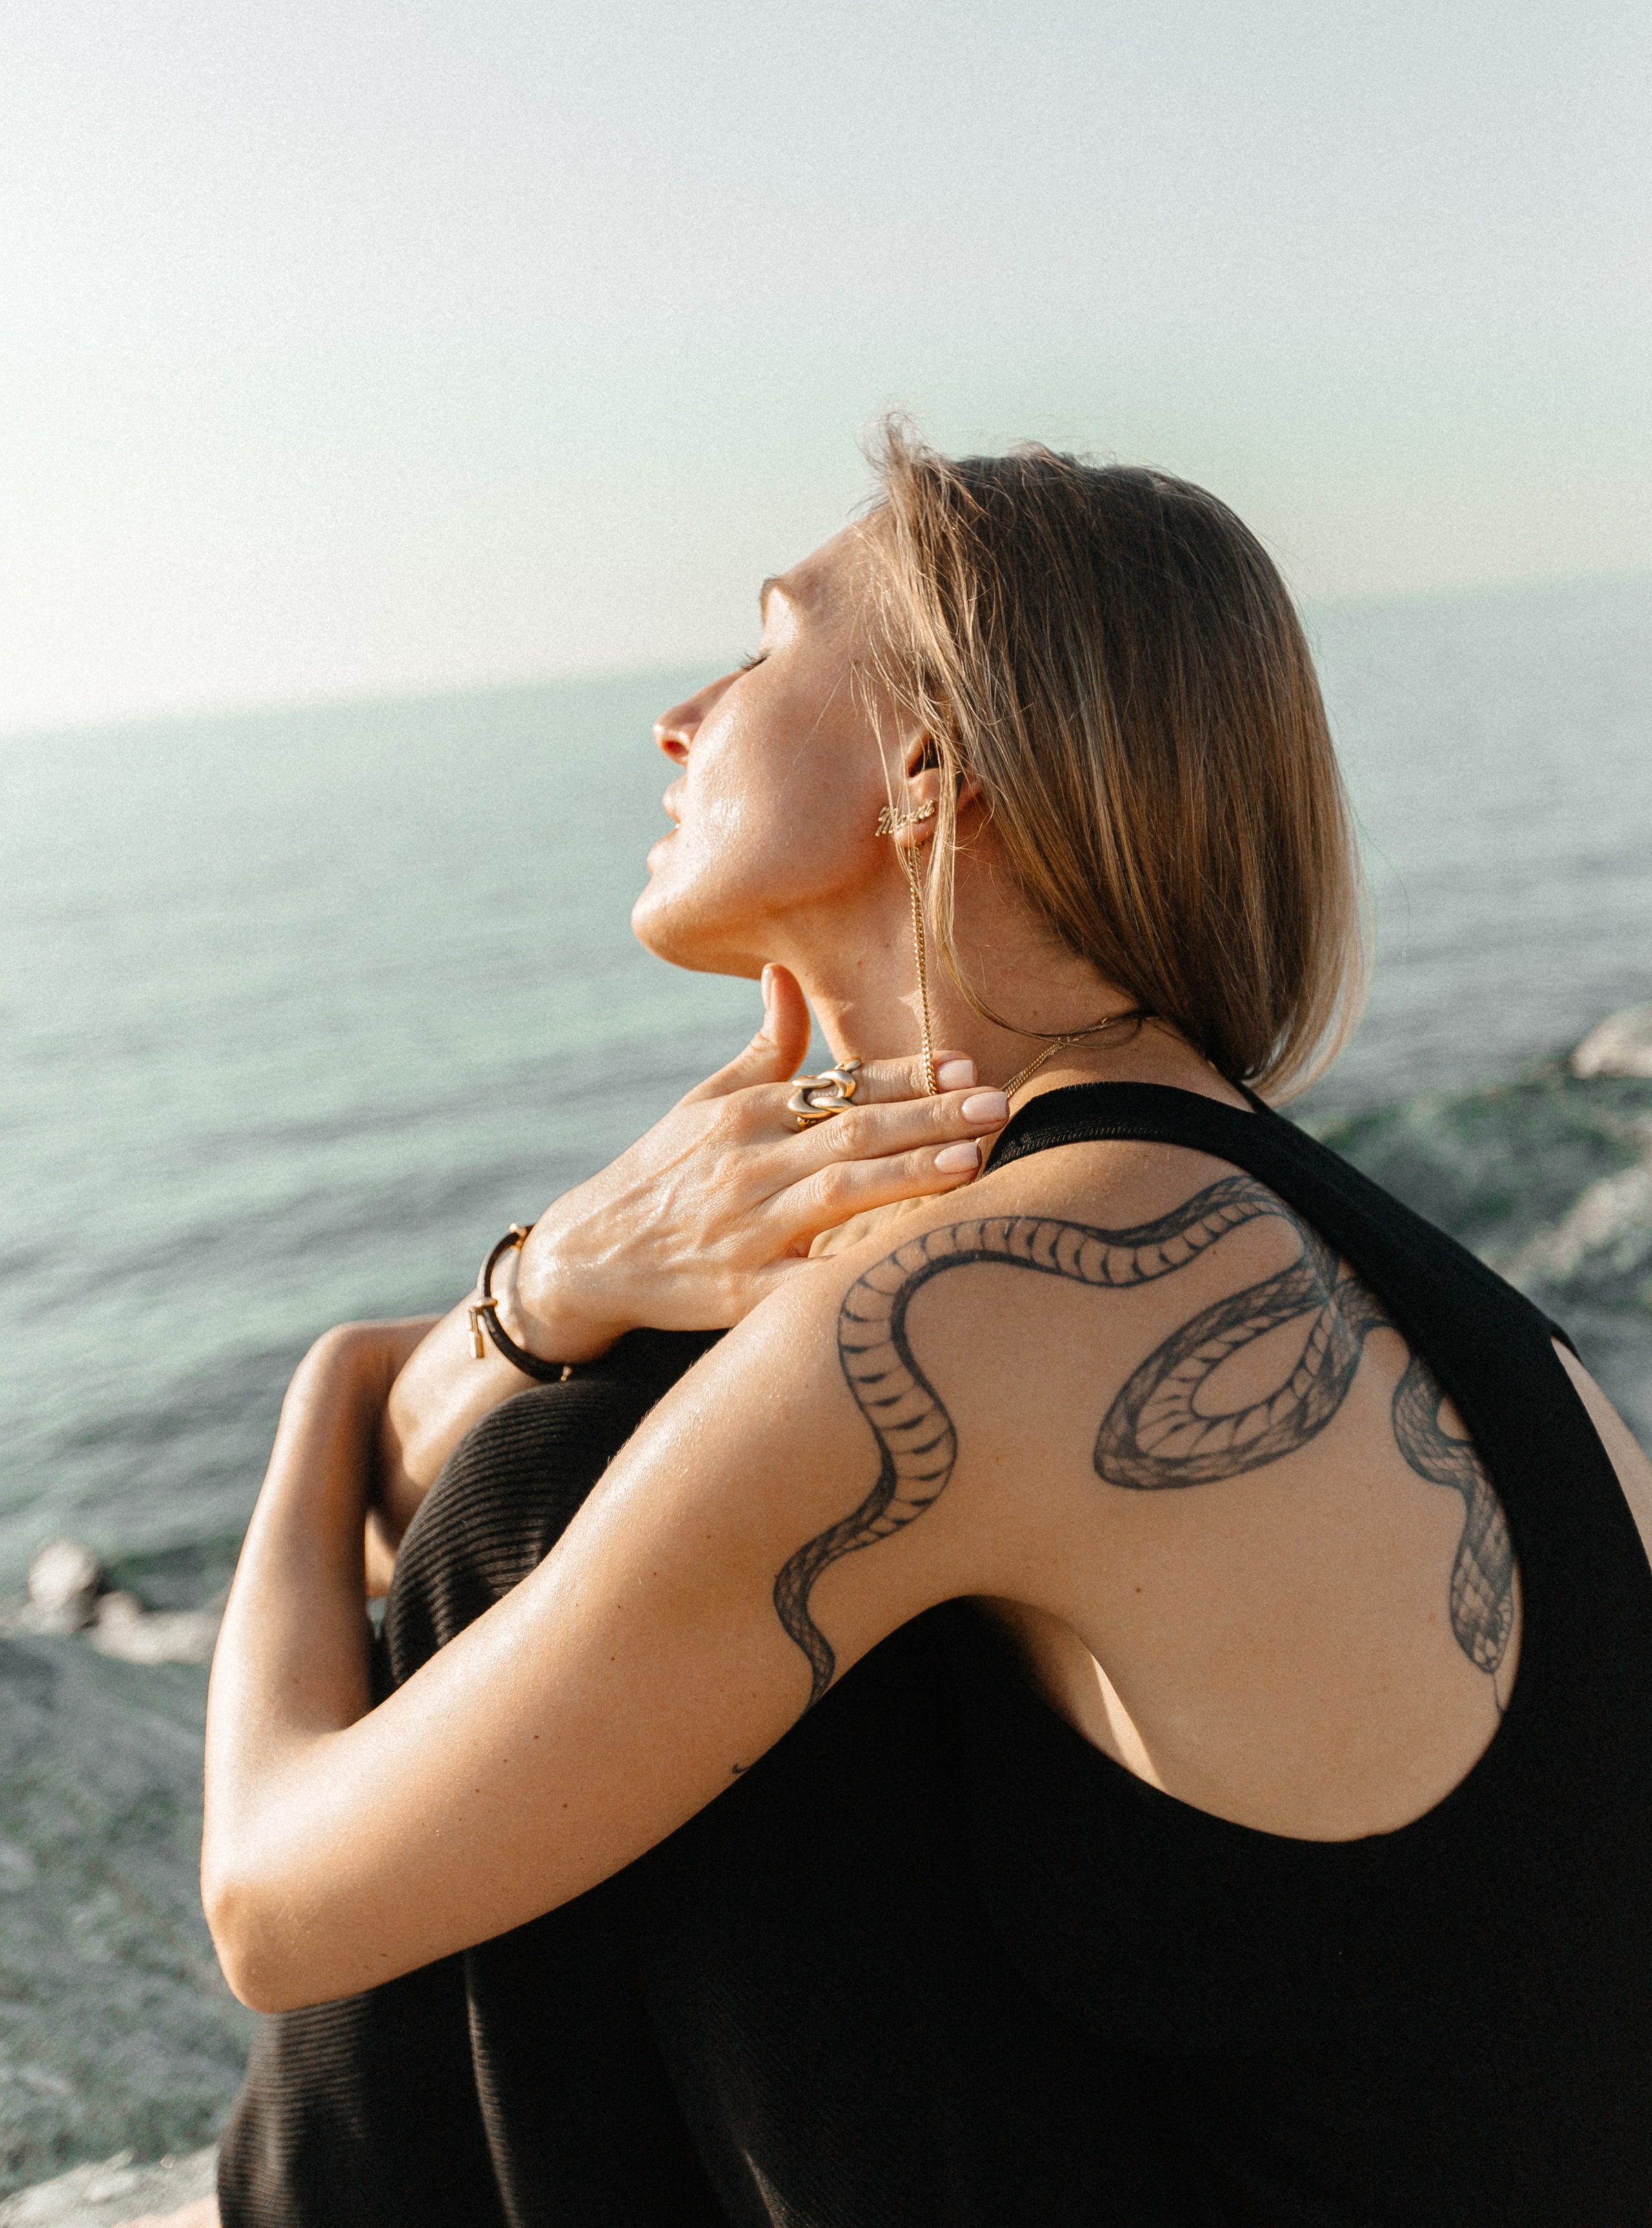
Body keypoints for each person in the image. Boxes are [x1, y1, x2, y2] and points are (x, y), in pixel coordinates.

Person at [201, 430, 1652, 2228]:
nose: (677, 715)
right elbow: (419, 1508)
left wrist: (322, 1380)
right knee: (600, 1469)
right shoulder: (1356, 1269)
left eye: (762, 643)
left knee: (570, 1480)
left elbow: (274, 1901)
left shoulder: (1000, 1312)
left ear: (930, 767)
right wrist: (555, 1281)